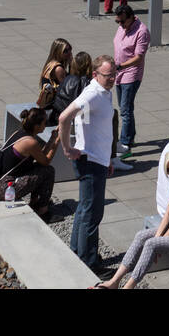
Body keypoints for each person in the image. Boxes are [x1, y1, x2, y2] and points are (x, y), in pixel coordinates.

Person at [93, 148, 169, 288]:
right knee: (141, 236)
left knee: (151, 244)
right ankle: (114, 281)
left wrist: (159, 243)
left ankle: (129, 286)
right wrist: (159, 238)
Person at [58, 56, 117, 269]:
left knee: (84, 210)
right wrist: (66, 147)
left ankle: (77, 251)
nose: (112, 79)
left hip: (98, 159)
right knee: (92, 214)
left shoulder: (102, 91)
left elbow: (95, 125)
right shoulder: (93, 93)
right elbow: (64, 118)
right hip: (90, 161)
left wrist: (108, 158)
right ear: (95, 74)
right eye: (108, 75)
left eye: (114, 74)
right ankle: (89, 261)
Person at [0, 107, 59, 220]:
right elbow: (46, 161)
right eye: (44, 122)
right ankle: (43, 212)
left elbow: (40, 157)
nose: (46, 125)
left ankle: (36, 203)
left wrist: (52, 139)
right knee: (48, 171)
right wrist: (56, 142)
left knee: (39, 168)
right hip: (6, 188)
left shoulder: (19, 134)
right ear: (37, 126)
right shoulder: (30, 142)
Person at [113, 4, 149, 157]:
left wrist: (120, 66)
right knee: (126, 108)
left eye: (122, 22)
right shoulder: (122, 26)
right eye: (118, 22)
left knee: (125, 109)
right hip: (119, 73)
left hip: (131, 73)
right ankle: (131, 136)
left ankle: (125, 144)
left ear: (131, 18)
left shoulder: (142, 31)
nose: (120, 25)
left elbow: (138, 57)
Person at [53, 50, 94, 122]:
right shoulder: (86, 82)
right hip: (73, 121)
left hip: (60, 115)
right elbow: (83, 107)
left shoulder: (68, 78)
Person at [37, 38, 73, 122]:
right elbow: (69, 88)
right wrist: (71, 64)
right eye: (65, 51)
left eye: (70, 49)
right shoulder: (58, 69)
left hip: (46, 105)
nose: (69, 53)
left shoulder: (50, 63)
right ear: (58, 52)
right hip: (53, 110)